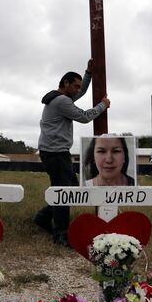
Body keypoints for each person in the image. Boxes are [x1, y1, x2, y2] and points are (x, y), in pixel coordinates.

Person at [35, 59, 110, 246]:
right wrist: (103, 105)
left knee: (71, 188)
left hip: (55, 152)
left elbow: (83, 91)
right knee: (64, 192)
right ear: (65, 84)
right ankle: (61, 234)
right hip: (56, 154)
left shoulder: (61, 99)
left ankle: (43, 217)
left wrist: (88, 73)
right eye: (74, 86)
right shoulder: (61, 101)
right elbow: (85, 117)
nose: (78, 90)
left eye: (78, 86)